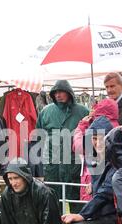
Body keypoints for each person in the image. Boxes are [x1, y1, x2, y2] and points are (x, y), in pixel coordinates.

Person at [35, 80, 89, 214]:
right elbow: (40, 134)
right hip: (53, 165)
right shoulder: (46, 112)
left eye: (61, 91)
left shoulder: (82, 111)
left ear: (69, 92)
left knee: (77, 201)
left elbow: (90, 135)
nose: (58, 95)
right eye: (55, 92)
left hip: (74, 164)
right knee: (53, 201)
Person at [73, 98, 119, 202]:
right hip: (110, 182)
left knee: (93, 206)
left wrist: (81, 127)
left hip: (93, 177)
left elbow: (79, 147)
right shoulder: (116, 126)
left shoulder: (97, 126)